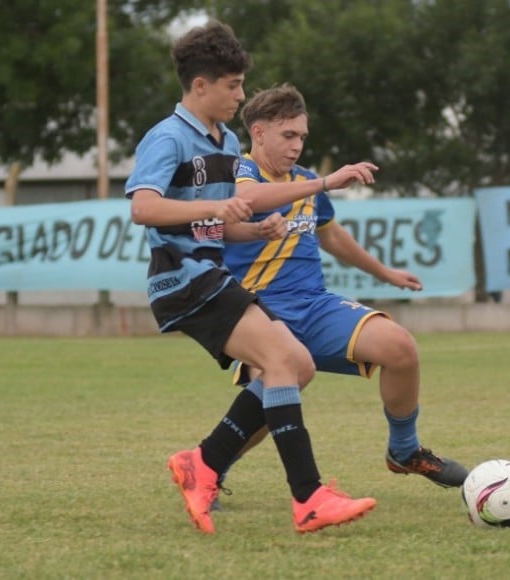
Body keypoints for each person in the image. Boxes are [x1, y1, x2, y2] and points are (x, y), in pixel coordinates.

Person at [125, 21, 382, 535]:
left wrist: (252, 231)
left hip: (210, 273)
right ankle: (308, 499)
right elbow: (144, 210)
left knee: (296, 366)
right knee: (286, 360)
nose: (241, 95)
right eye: (233, 85)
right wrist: (227, 206)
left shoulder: (225, 140)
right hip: (183, 278)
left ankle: (203, 462)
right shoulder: (168, 136)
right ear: (201, 86)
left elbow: (213, 224)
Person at [213, 84, 468, 507]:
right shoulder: (240, 172)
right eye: (288, 136)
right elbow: (248, 199)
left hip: (315, 306)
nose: (297, 146)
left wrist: (384, 272)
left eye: (302, 137)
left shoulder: (306, 182)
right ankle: (211, 470)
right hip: (262, 315)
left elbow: (333, 238)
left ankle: (404, 451)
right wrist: (327, 183)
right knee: (274, 392)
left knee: (400, 347)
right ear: (258, 133)